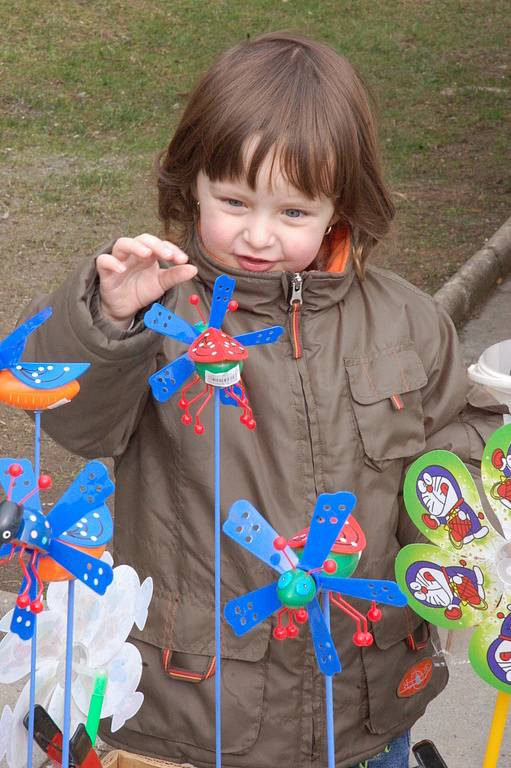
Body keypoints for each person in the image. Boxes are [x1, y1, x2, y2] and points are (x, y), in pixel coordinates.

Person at [22, 32, 500, 768]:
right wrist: (108, 320)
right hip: (193, 715)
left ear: (341, 204)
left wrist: (480, 516)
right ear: (192, 186)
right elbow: (73, 418)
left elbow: (444, 470)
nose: (256, 235)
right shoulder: (160, 312)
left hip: (366, 705)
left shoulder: (407, 321)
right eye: (233, 201)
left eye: (292, 213)